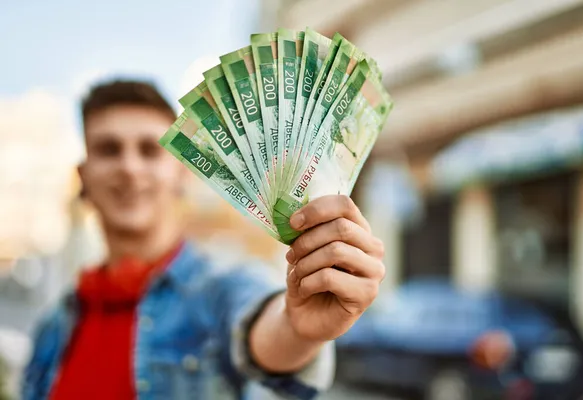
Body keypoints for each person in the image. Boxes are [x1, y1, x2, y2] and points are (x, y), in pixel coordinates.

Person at [22, 80, 386, 400]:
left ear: (181, 172)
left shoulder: (222, 291)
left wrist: (298, 331)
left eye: (149, 150)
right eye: (108, 149)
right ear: (83, 178)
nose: (129, 167)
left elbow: (266, 331)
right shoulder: (54, 326)